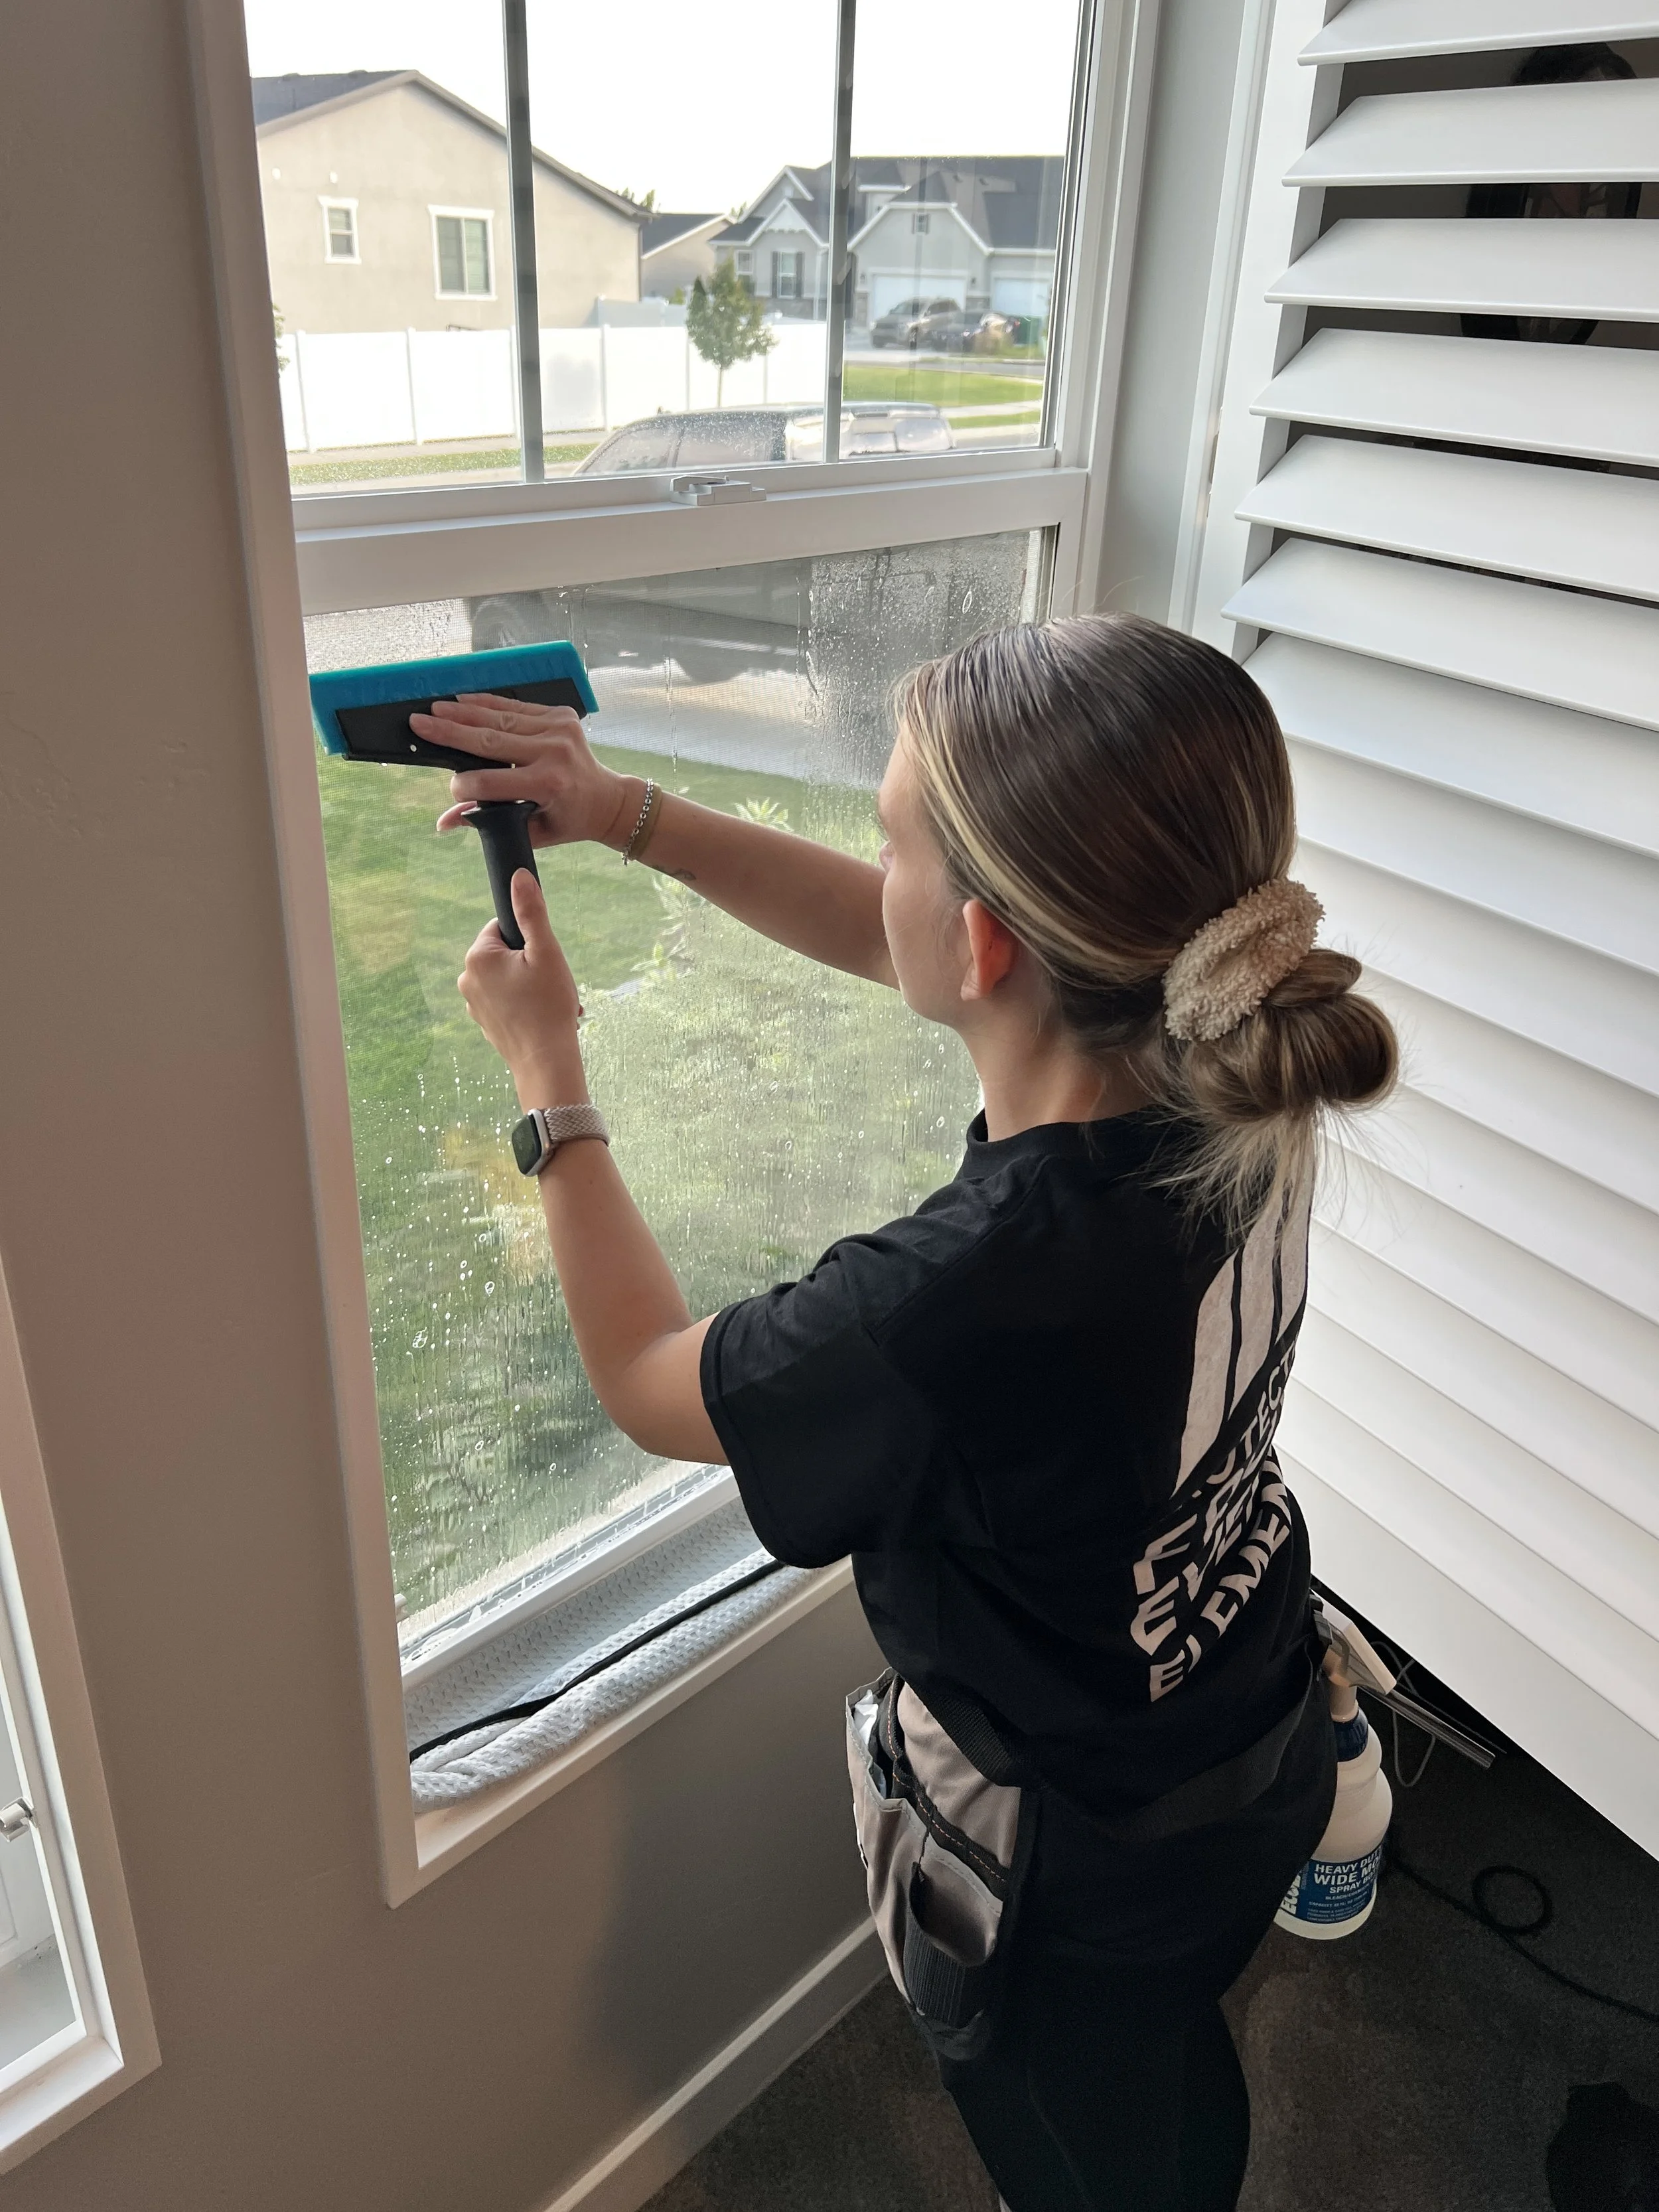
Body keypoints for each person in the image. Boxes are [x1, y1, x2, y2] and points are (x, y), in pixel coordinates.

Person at [416, 613, 1398, 2211]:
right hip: (1247, 1712)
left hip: (1085, 1862)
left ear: (994, 944)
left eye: (886, 839)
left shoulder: (953, 1298)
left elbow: (653, 1381)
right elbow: (907, 941)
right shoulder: (1240, 1076)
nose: (872, 873)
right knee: (1162, 2058)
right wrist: (629, 814)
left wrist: (550, 1078)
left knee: (1086, 2146)